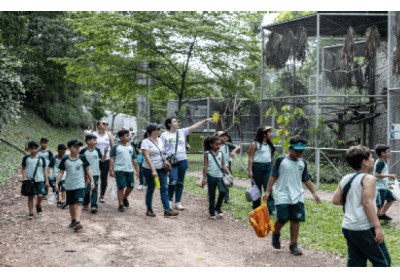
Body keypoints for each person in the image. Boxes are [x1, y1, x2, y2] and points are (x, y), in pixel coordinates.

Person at [332, 145, 391, 267]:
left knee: (356, 263)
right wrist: (377, 226)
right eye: (371, 157)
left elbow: (336, 200)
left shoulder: (346, 178)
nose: (373, 160)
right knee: (383, 262)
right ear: (364, 162)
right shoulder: (368, 178)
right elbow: (367, 202)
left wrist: (354, 201)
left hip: (348, 228)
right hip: (364, 228)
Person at [263, 136, 320, 255]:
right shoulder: (280, 160)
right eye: (297, 151)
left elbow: (306, 179)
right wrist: (268, 191)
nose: (299, 153)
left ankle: (293, 245)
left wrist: (314, 193)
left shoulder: (302, 163)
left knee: (295, 220)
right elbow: (273, 176)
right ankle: (276, 233)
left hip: (298, 195)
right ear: (290, 148)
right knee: (282, 218)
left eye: (301, 151)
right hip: (282, 194)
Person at [161, 116, 213, 210]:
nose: (177, 123)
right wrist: (164, 160)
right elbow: (161, 149)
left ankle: (177, 202)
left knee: (180, 182)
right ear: (169, 124)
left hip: (183, 160)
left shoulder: (181, 132)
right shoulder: (164, 135)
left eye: (176, 121)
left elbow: (194, 126)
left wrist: (205, 120)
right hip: (171, 161)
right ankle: (168, 201)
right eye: (174, 121)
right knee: (173, 180)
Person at [55, 140, 94, 231]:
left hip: (80, 185)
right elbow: (61, 172)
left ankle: (78, 221)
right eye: (75, 147)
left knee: (79, 203)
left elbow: (88, 170)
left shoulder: (82, 158)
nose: (77, 149)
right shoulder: (65, 160)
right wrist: (57, 183)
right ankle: (73, 220)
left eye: (78, 147)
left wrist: (91, 181)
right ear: (69, 148)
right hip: (69, 185)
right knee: (71, 204)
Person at [141, 123, 179, 217]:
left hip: (161, 168)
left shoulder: (160, 140)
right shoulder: (145, 142)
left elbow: (162, 154)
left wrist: (167, 164)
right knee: (151, 187)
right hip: (149, 169)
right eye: (158, 129)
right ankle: (149, 209)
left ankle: (167, 210)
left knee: (164, 188)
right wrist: (153, 170)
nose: (160, 130)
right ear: (153, 131)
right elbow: (147, 157)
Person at [201, 136, 233, 220]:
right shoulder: (207, 154)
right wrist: (204, 179)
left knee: (222, 191)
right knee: (212, 195)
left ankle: (218, 207)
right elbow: (205, 166)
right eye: (217, 144)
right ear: (211, 145)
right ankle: (211, 211)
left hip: (219, 176)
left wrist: (229, 173)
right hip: (211, 176)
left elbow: (223, 165)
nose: (219, 146)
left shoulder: (220, 153)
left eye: (220, 145)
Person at [109, 129, 140, 213]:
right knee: (121, 187)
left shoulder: (131, 147)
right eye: (127, 136)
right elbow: (112, 159)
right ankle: (121, 204)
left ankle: (124, 197)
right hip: (119, 170)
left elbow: (134, 159)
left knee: (131, 186)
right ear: (121, 138)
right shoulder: (116, 147)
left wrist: (137, 169)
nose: (129, 137)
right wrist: (111, 170)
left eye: (129, 135)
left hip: (129, 170)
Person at [248, 126, 276, 214]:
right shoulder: (255, 144)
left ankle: (271, 208)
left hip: (268, 167)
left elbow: (271, 157)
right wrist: (249, 170)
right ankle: (256, 207)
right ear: (264, 134)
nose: (271, 134)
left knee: (268, 187)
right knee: (256, 187)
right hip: (257, 167)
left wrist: (273, 169)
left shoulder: (269, 145)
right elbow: (250, 158)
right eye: (269, 132)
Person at [21, 141, 50, 219]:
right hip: (30, 181)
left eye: (35, 148)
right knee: (30, 197)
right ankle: (30, 212)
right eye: (32, 148)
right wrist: (24, 177)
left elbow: (44, 170)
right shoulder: (26, 158)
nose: (34, 150)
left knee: (40, 195)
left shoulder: (41, 159)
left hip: (40, 180)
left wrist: (46, 180)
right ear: (29, 149)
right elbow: (23, 168)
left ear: (38, 149)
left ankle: (38, 205)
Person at [79, 134, 107, 214]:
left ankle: (94, 206)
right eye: (94, 140)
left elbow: (102, 160)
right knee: (86, 189)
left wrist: (105, 153)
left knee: (94, 189)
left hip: (95, 174)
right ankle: (85, 203)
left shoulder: (97, 150)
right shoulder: (83, 151)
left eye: (96, 140)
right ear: (88, 141)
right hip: (85, 174)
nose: (96, 142)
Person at [215, 131, 240, 204]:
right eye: (222, 135)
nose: (224, 137)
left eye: (225, 135)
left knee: (227, 182)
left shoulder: (227, 144)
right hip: (216, 167)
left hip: (226, 166)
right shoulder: (215, 145)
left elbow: (238, 146)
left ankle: (226, 198)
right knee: (217, 182)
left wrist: (233, 152)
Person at [373, 144, 397, 220]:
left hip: (384, 186)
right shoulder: (380, 163)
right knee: (379, 204)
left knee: (391, 199)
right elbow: (377, 174)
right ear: (382, 153)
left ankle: (382, 215)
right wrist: (390, 176)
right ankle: (376, 220)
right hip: (380, 187)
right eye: (388, 151)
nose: (390, 153)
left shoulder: (382, 162)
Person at [93, 120, 115, 203]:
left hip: (106, 159)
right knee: (94, 176)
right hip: (95, 159)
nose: (105, 125)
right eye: (103, 123)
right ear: (98, 125)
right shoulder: (93, 134)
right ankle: (92, 193)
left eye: (106, 124)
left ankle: (102, 195)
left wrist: (113, 159)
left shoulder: (109, 135)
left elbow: (113, 147)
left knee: (104, 177)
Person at [48, 144, 68, 208]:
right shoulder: (54, 158)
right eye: (60, 152)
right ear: (57, 151)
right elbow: (49, 167)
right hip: (55, 176)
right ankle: (58, 201)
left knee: (63, 188)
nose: (62, 154)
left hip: (64, 176)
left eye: (63, 152)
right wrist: (49, 175)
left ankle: (63, 200)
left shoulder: (66, 157)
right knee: (56, 189)